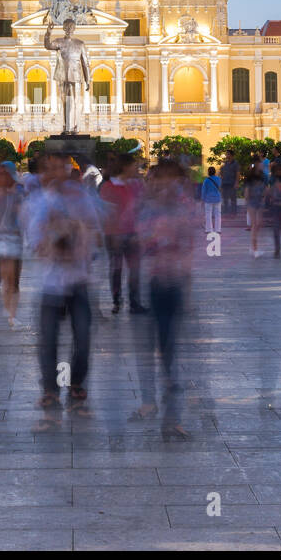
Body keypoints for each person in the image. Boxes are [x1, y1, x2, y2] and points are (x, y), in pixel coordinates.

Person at [24, 153, 103, 430]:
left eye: (62, 168)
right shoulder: (38, 202)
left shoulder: (82, 199)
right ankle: (50, 394)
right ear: (44, 172)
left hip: (79, 280)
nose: (58, 173)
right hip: (51, 283)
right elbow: (35, 242)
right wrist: (56, 237)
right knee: (48, 343)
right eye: (52, 168)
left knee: (82, 339)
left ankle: (77, 389)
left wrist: (77, 233)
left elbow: (95, 232)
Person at [132, 159, 197, 439]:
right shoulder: (148, 209)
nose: (169, 185)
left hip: (177, 286)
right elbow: (142, 241)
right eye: (163, 179)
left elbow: (189, 245)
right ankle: (152, 404)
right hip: (157, 285)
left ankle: (172, 418)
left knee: (172, 353)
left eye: (174, 180)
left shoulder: (183, 208)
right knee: (157, 351)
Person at [98, 154, 145, 315]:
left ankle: (134, 302)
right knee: (116, 268)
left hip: (132, 233)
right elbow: (107, 213)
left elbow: (141, 207)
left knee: (134, 269)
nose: (136, 169)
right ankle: (117, 300)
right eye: (134, 166)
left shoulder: (135, 185)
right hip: (114, 235)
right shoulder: (108, 187)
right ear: (125, 167)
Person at [0, 164, 24, 329]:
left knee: (11, 279)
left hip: (12, 240)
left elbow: (22, 217)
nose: (0, 177)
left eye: (4, 174)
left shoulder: (17, 195)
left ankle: (11, 314)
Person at [244, 163, 267, 258]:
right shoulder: (250, 180)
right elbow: (246, 193)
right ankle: (255, 249)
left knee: (258, 224)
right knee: (255, 225)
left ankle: (253, 247)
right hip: (252, 203)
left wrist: (264, 199)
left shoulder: (262, 178)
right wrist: (247, 203)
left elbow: (265, 190)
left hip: (259, 203)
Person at [201, 165, 222, 234]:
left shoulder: (206, 180)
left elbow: (204, 191)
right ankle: (218, 229)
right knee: (218, 214)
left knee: (208, 214)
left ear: (208, 173)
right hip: (217, 198)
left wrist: (202, 200)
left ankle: (209, 229)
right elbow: (221, 188)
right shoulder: (219, 179)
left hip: (208, 199)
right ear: (215, 172)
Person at [220, 150, 240, 216]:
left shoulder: (235, 163)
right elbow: (222, 173)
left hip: (232, 183)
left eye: (228, 154)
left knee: (233, 198)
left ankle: (234, 212)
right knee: (225, 198)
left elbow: (238, 173)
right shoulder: (225, 163)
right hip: (225, 183)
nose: (226, 156)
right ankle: (225, 211)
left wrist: (237, 183)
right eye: (226, 154)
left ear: (232, 155)